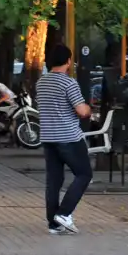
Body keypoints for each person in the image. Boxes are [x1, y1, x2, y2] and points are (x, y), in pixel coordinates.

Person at [36, 45, 92, 235]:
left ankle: (54, 224)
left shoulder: (41, 82)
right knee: (84, 174)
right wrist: (88, 109)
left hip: (48, 138)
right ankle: (64, 213)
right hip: (69, 137)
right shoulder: (69, 83)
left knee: (54, 181)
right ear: (68, 61)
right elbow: (81, 111)